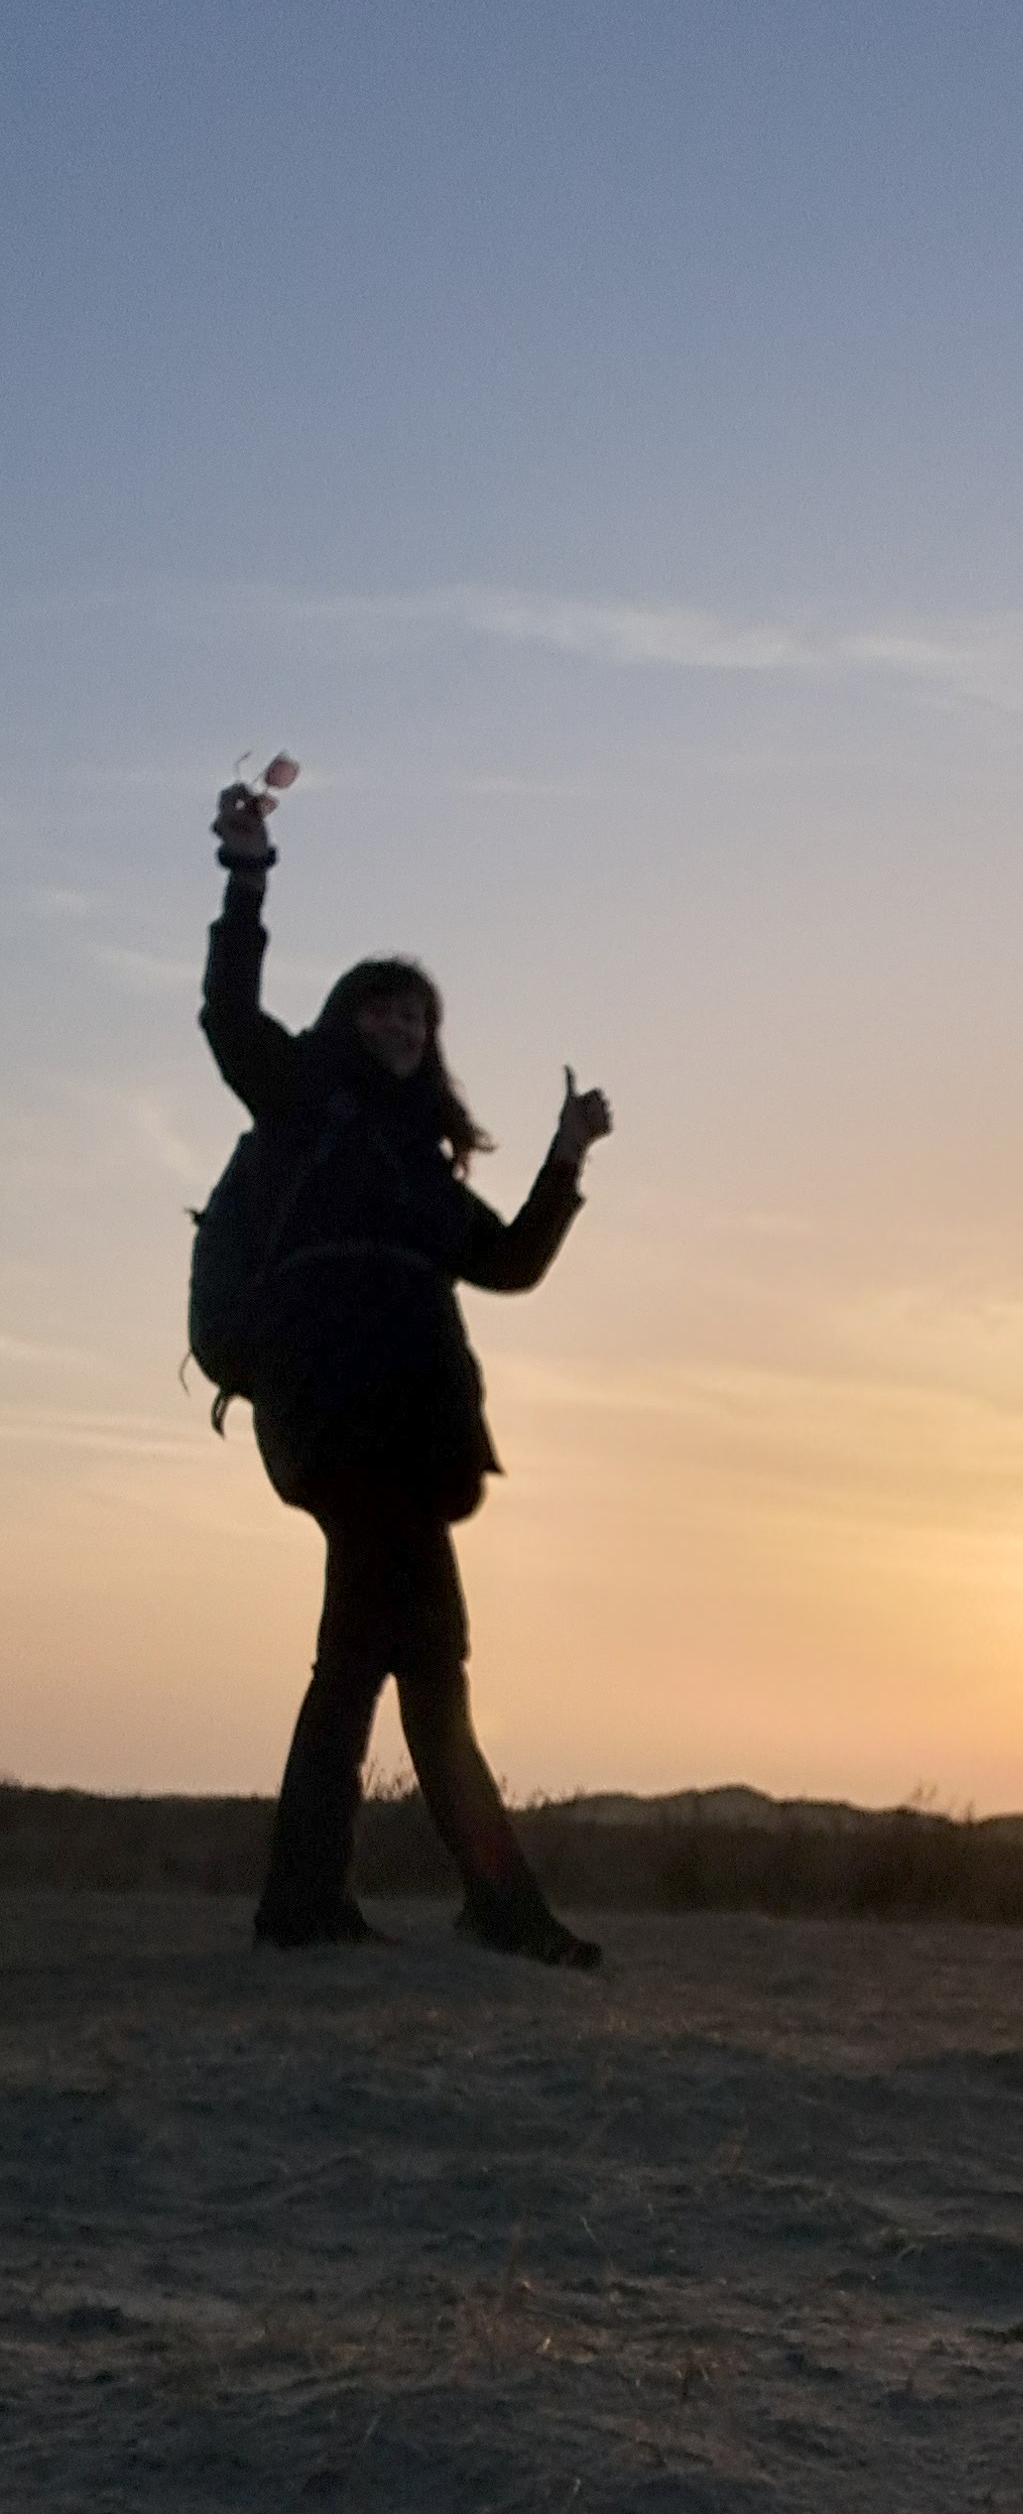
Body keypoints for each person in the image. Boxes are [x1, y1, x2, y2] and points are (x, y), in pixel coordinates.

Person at [199, 775, 612, 1963]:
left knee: (415, 1661)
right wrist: (246, 872)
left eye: (417, 1016)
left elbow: (510, 1263)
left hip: (418, 1431)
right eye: (381, 1008)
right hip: (336, 1415)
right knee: (391, 1661)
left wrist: (565, 1157)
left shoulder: (423, 1171)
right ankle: (454, 1906)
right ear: (347, 1020)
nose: (400, 1026)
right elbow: (229, 1014)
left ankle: (390, 1902)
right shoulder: (301, 1103)